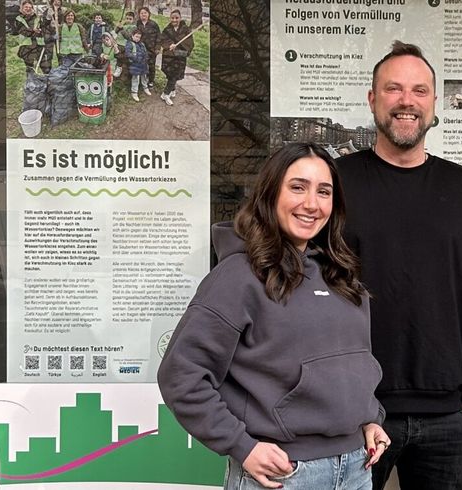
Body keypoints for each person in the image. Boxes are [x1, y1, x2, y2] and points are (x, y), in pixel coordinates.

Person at [158, 142, 389, 490]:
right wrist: (242, 445)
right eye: (297, 187)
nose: (311, 204)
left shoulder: (341, 277)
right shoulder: (238, 277)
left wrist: (370, 419)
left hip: (356, 468)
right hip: (287, 474)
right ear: (270, 194)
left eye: (323, 192)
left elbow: (352, 367)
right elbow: (181, 375)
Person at [337, 41, 462, 490]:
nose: (406, 101)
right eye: (393, 89)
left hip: (451, 418)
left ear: (433, 103)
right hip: (353, 413)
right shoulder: (335, 185)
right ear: (373, 99)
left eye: (419, 90)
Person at [159, 9, 194, 106]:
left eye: (176, 18)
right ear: (170, 18)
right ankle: (171, 90)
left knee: (175, 75)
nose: (174, 20)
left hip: (179, 56)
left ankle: (165, 94)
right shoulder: (167, 30)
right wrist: (170, 44)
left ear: (180, 18)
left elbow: (190, 43)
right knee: (170, 74)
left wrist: (178, 45)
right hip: (169, 56)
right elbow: (162, 40)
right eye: (172, 18)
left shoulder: (186, 30)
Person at [13, 1, 51, 74]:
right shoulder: (19, 18)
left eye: (30, 7)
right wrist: (33, 30)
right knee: (30, 67)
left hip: (39, 43)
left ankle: (47, 78)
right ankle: (31, 80)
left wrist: (42, 30)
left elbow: (43, 27)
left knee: (44, 65)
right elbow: (22, 30)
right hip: (27, 45)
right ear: (22, 8)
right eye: (26, 7)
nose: (28, 9)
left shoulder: (37, 18)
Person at [135, 7, 161, 88]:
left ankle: (151, 81)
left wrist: (157, 48)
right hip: (140, 49)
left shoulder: (153, 24)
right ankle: (142, 81)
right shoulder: (137, 24)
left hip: (152, 49)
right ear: (139, 15)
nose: (143, 14)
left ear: (149, 14)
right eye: (141, 13)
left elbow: (159, 36)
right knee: (141, 64)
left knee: (151, 66)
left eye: (145, 13)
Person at [126, 29, 150, 101]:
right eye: (136, 36)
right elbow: (128, 53)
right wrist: (136, 58)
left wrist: (146, 58)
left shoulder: (142, 44)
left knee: (144, 76)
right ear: (132, 36)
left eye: (139, 37)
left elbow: (145, 52)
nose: (137, 38)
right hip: (135, 64)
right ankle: (134, 92)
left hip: (143, 64)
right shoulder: (130, 43)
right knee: (135, 78)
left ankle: (145, 87)